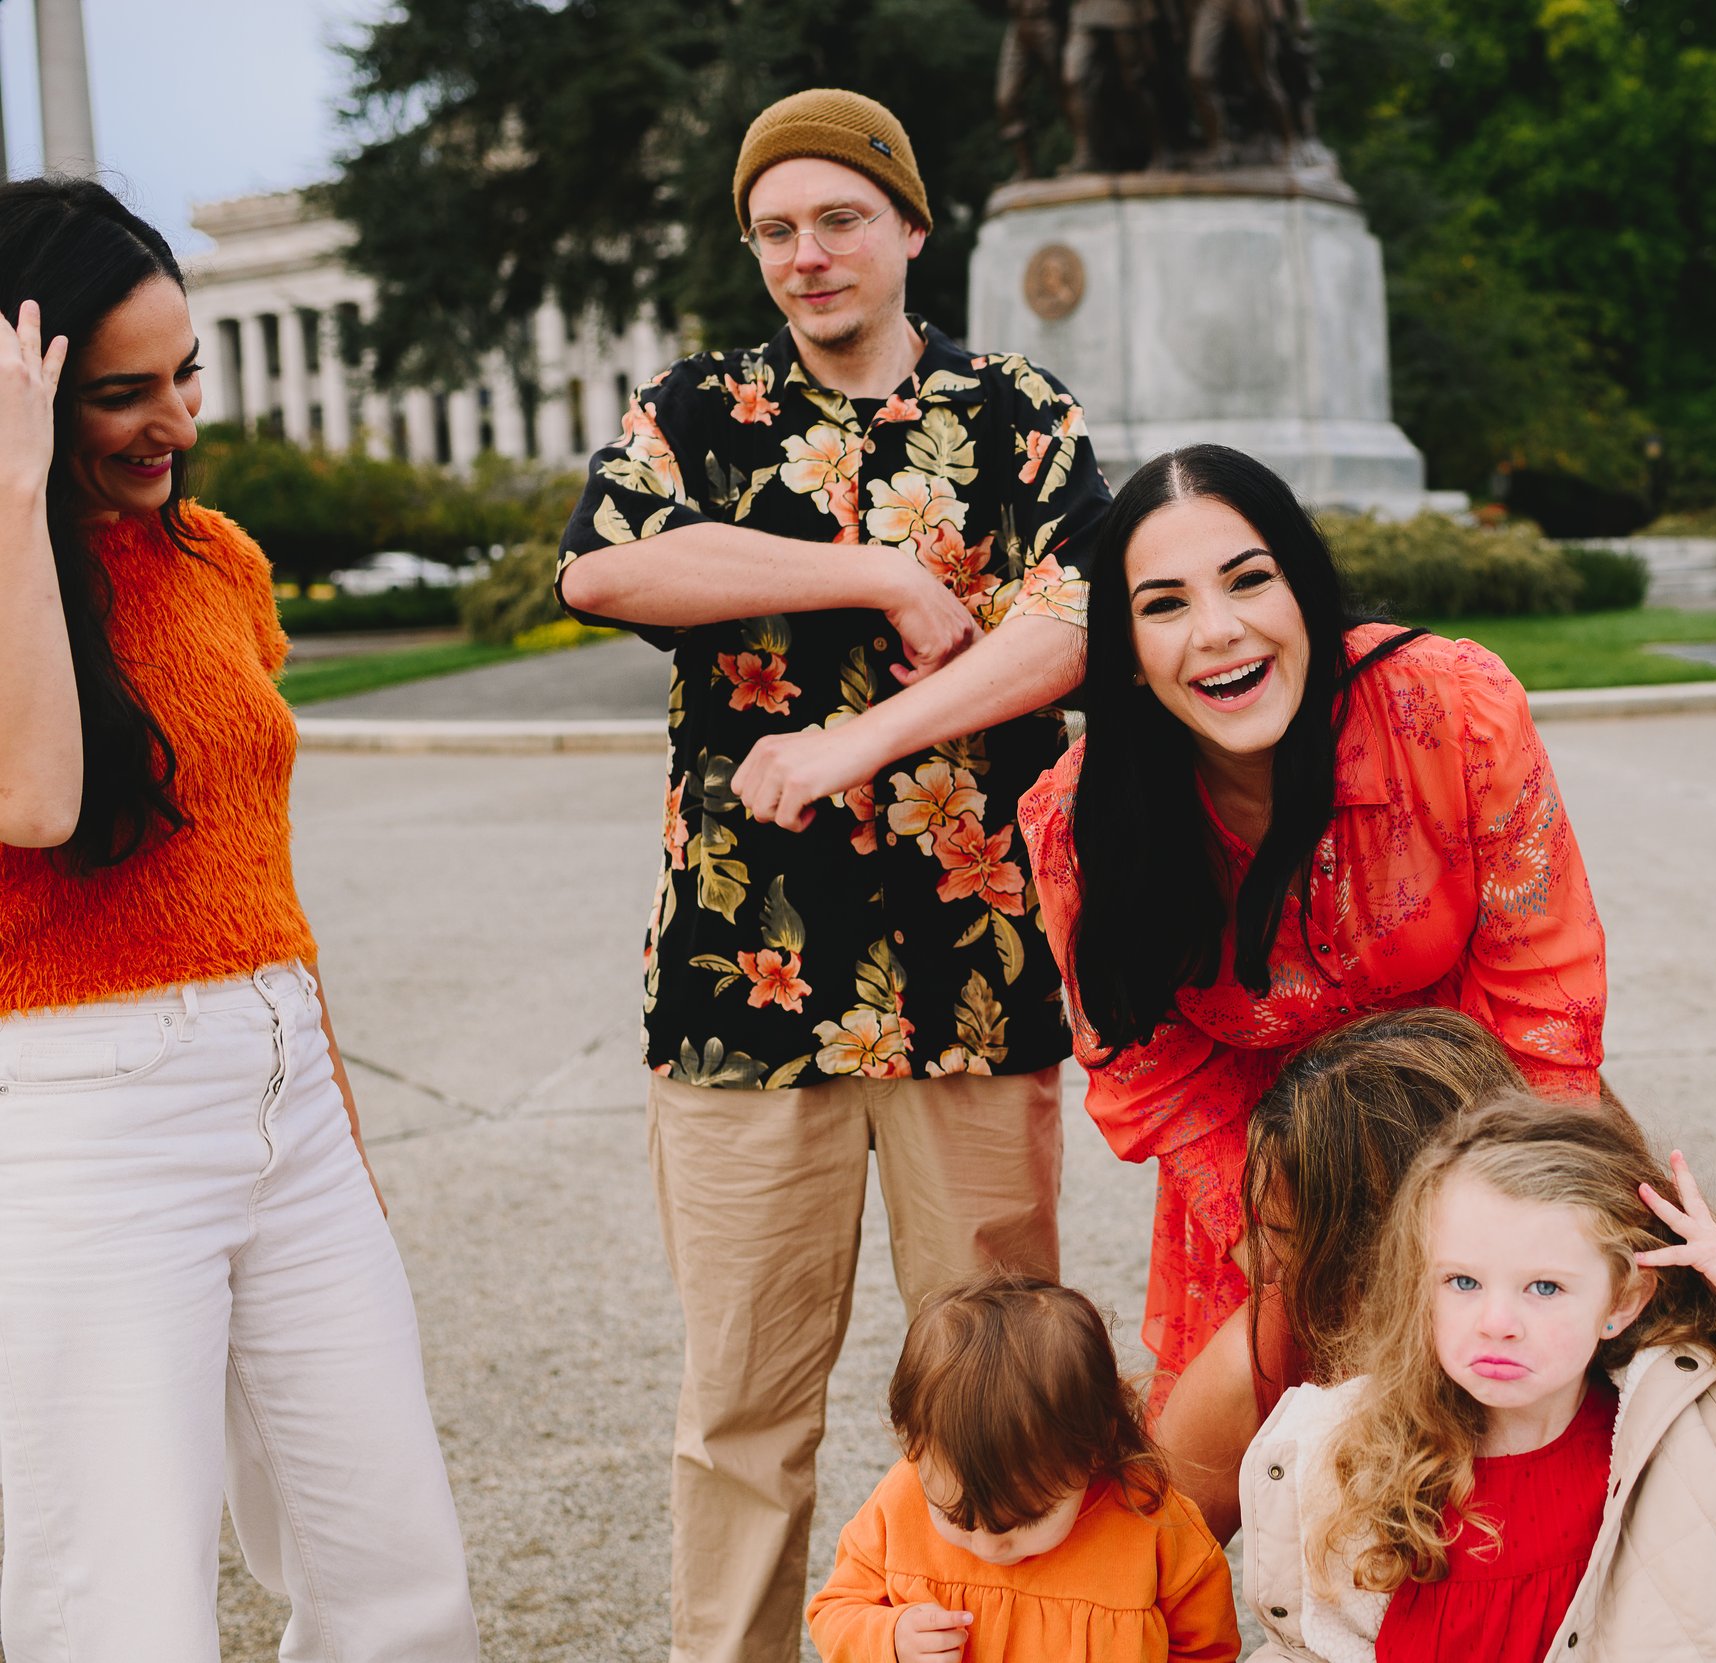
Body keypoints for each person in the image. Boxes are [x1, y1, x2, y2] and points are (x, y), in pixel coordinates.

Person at [552, 88, 1112, 1663]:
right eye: (777, 231)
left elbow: (1071, 625)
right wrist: (873, 572)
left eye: (840, 219)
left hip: (971, 970)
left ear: (912, 229)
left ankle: (1018, 1639)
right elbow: (605, 564)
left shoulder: (1016, 411)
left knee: (1004, 1385)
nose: (808, 256)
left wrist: (856, 742)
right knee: (743, 1398)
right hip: (745, 980)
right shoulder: (695, 415)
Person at [0, 178, 478, 1660]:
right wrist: (13, 496)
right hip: (88, 1122)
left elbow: (258, 874)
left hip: (281, 1094)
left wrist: (326, 1106)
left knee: (391, 1563)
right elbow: (35, 800)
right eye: (123, 391)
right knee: (117, 1595)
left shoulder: (222, 561)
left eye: (186, 374)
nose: (175, 422)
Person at [1016, 444, 1607, 1388]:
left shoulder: (1457, 711)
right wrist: (1292, 1259)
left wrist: (1500, 1235)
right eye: (1163, 604)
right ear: (1125, 658)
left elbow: (1548, 1002)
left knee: (1615, 1411)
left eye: (1249, 580)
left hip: (1491, 1116)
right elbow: (1155, 1084)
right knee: (1246, 1480)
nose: (1217, 631)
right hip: (1260, 1183)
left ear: (1307, 592)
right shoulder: (1077, 824)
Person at [1155, 1007, 1716, 1662]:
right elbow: (1127, 1578)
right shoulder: (1277, 1352)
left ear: (1392, 1243)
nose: (1258, 1264)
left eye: (1290, 1238)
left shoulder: (1651, 1387)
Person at [805, 1274, 1239, 1662]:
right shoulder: (902, 1497)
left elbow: (1207, 1649)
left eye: (1025, 1520)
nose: (991, 1549)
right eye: (957, 1517)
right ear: (917, 1448)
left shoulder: (1155, 1523)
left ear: (1095, 1449)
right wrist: (891, 1638)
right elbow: (834, 1610)